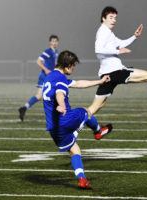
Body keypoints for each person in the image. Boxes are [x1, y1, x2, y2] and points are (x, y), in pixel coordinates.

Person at [42, 50, 112, 189]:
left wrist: (99, 81)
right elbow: (60, 93)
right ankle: (98, 131)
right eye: (73, 66)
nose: (73, 69)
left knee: (75, 150)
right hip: (65, 119)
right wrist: (61, 105)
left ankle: (82, 180)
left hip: (53, 129)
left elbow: (78, 83)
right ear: (68, 65)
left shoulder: (50, 77)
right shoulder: (60, 78)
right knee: (86, 112)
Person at [18, 35, 59, 121]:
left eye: (56, 41)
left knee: (40, 96)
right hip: (45, 76)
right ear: (50, 42)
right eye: (53, 41)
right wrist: (46, 69)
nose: (54, 43)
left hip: (49, 77)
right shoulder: (48, 51)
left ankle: (24, 108)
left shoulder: (56, 51)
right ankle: (55, 114)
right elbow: (38, 61)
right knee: (54, 93)